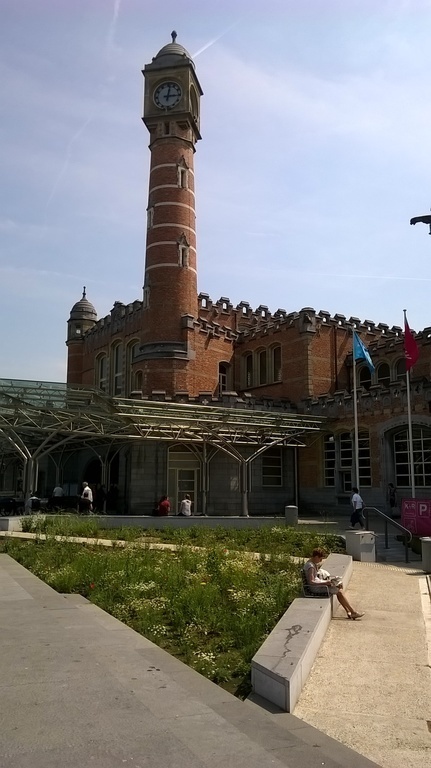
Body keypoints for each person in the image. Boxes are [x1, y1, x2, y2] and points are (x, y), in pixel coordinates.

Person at [303, 548, 364, 620]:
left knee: (339, 586)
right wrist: (326, 583)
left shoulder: (311, 563)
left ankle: (349, 611)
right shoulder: (311, 567)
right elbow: (311, 581)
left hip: (319, 585)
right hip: (316, 588)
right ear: (316, 557)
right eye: (320, 559)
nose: (321, 561)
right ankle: (352, 612)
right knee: (339, 592)